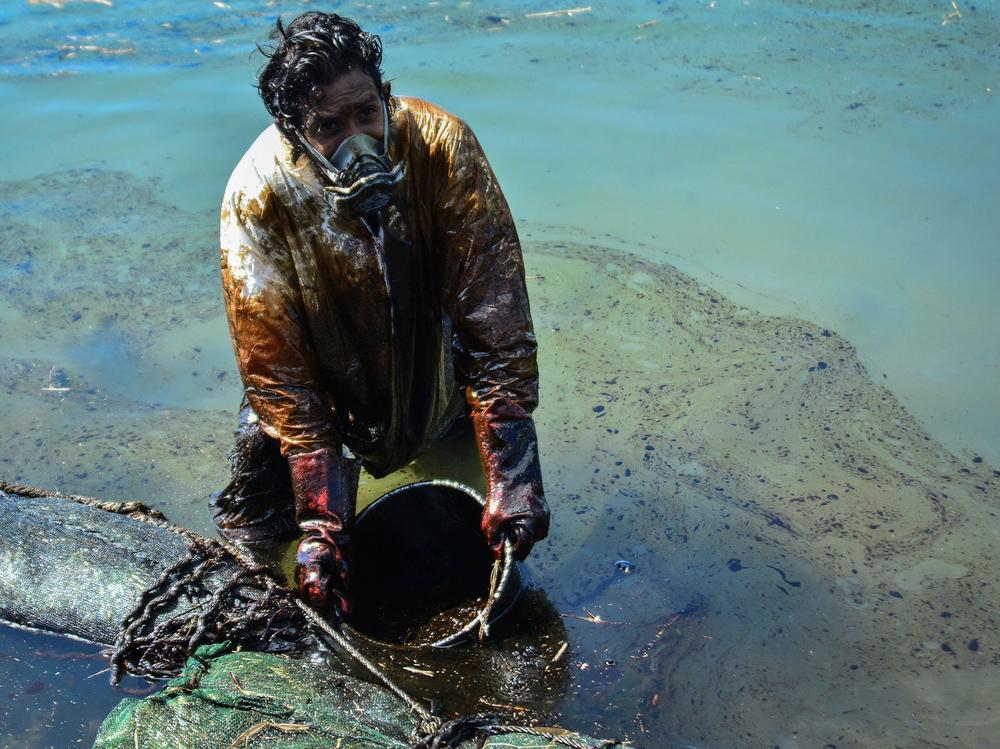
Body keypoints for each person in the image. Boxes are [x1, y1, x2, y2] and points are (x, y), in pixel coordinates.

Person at [211, 12, 549, 618]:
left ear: (386, 97)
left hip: (431, 363)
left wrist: (515, 472)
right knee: (255, 540)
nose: (357, 139)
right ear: (292, 132)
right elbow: (276, 367)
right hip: (316, 388)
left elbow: (493, 311)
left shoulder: (442, 146)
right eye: (328, 127)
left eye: (366, 113)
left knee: (471, 502)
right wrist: (321, 526)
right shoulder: (256, 196)